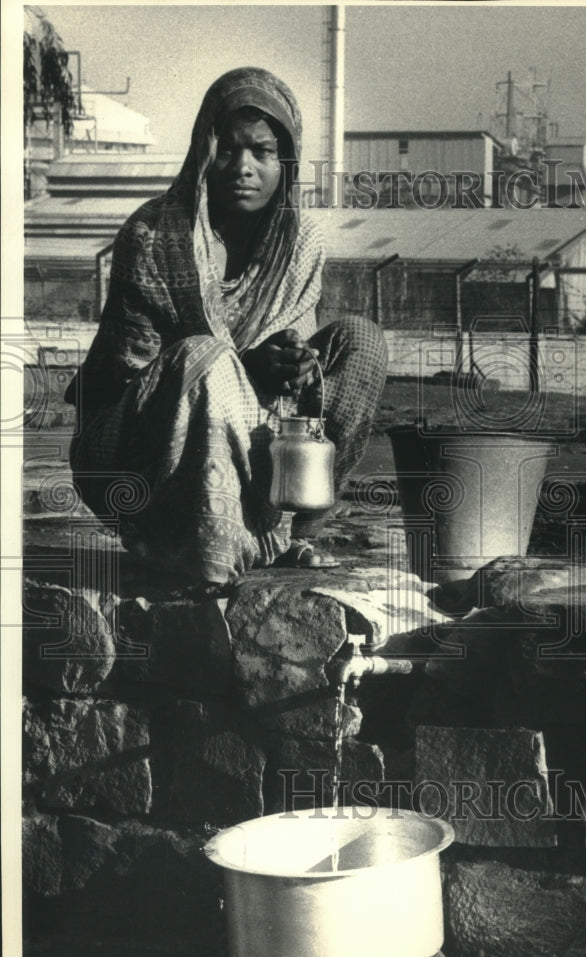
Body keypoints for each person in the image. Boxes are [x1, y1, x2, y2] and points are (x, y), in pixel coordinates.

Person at [65, 67, 387, 591]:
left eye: (262, 153)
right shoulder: (154, 235)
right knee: (206, 358)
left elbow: (288, 386)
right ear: (202, 152)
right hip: (137, 456)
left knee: (361, 341)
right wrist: (241, 367)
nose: (243, 167)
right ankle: (198, 550)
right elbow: (129, 380)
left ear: (286, 165)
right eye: (228, 149)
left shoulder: (299, 244)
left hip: (258, 448)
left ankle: (293, 532)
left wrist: (293, 365)